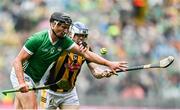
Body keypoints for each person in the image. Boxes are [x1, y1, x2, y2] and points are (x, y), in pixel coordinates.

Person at [10, 12, 128, 109]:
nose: (65, 30)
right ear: (52, 25)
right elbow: (17, 61)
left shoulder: (68, 43)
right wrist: (21, 82)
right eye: (62, 27)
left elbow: (89, 59)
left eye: (67, 28)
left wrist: (107, 67)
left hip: (59, 89)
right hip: (31, 80)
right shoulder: (39, 39)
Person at [40, 21, 119, 109]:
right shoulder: (62, 44)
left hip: (69, 94)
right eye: (79, 35)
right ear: (72, 34)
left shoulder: (87, 50)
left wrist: (103, 73)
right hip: (50, 91)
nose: (82, 38)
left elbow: (95, 70)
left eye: (84, 36)